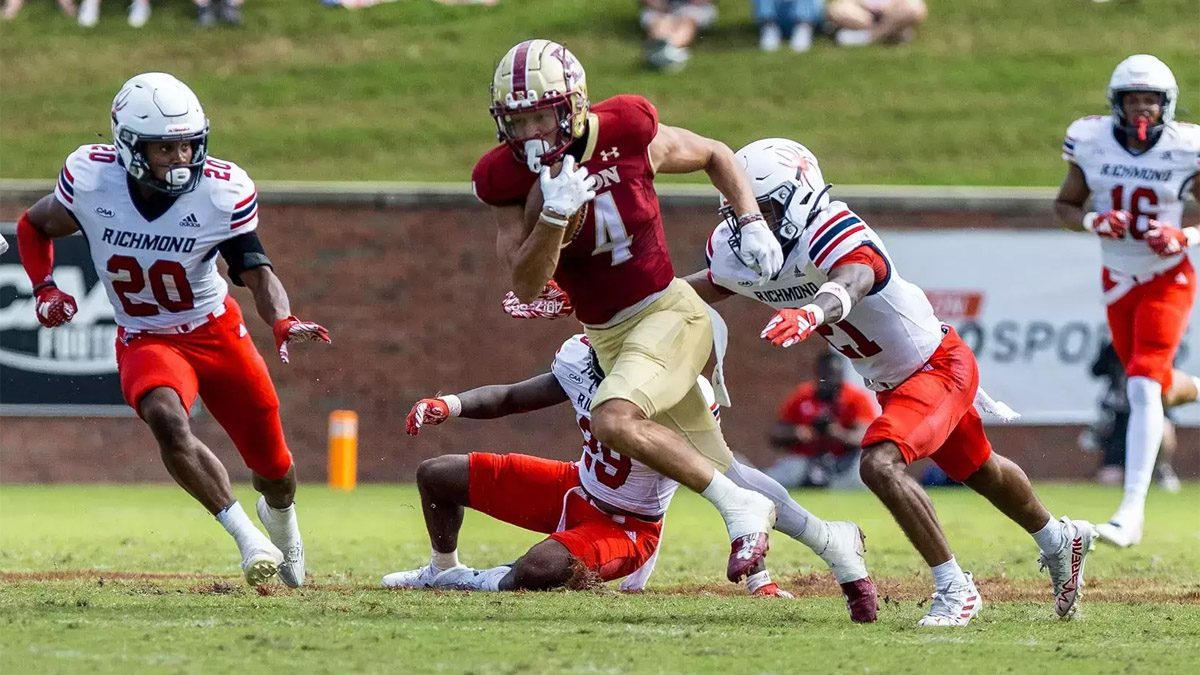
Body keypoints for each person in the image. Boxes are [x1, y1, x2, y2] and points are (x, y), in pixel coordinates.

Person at [688, 138, 1094, 626]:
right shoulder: (740, 249)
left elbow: (858, 274)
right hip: (892, 382)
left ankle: (954, 588)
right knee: (979, 469)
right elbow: (700, 287)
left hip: (937, 366)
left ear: (799, 195)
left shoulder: (831, 226)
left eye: (764, 208)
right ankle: (1058, 538)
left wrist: (814, 310)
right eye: (739, 210)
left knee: (880, 463)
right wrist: (626, 303)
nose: (750, 223)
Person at [471, 39, 786, 587]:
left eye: (542, 117)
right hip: (609, 334)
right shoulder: (504, 178)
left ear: (572, 107)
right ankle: (832, 544)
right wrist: (553, 216)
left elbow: (713, 152)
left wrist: (750, 218)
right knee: (722, 460)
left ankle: (740, 512)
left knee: (613, 420)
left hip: (669, 312)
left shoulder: (626, 128)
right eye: (518, 124)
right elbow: (525, 282)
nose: (531, 135)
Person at [15, 72, 329, 587]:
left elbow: (254, 269)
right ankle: (247, 538)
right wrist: (45, 288)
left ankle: (283, 523)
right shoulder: (93, 180)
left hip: (215, 330)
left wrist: (282, 318)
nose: (181, 159)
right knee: (165, 417)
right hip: (145, 334)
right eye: (165, 148)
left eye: (188, 145)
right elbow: (34, 225)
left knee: (275, 468)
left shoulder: (219, 192)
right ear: (129, 146)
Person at [390, 333, 878, 622]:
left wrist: (759, 579)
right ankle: (440, 566)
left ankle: (469, 581)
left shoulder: (681, 393)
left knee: (536, 570)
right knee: (437, 474)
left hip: (629, 525)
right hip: (576, 486)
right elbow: (514, 397)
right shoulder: (581, 358)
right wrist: (448, 404)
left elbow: (728, 479)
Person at [1053, 54, 1200, 547]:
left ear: (1167, 106)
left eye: (1151, 101)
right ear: (1117, 103)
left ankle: (1130, 513)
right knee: (1153, 387)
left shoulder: (1186, 148)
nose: (1143, 110)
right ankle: (1195, 388)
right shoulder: (1090, 140)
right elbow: (1065, 205)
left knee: (1139, 383)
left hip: (1167, 277)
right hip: (1117, 278)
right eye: (1134, 100)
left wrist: (1184, 236)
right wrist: (1095, 221)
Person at [1083, 341, 1183, 493]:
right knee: (1109, 478)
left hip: (1151, 413)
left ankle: (1161, 468)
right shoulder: (1113, 348)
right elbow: (1096, 370)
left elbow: (1168, 379)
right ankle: (1120, 470)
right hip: (1121, 418)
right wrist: (1109, 352)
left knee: (1165, 428)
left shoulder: (1156, 349)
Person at [767, 351, 874, 488]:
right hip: (805, 460)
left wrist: (837, 433)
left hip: (843, 462)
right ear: (817, 374)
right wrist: (797, 432)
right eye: (826, 374)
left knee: (863, 477)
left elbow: (865, 437)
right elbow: (775, 433)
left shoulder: (855, 398)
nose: (830, 380)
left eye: (834, 374)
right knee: (776, 479)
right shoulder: (803, 395)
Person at [639, 0, 718, 71]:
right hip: (662, 8)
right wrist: (660, 5)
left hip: (694, 7)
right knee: (660, 22)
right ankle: (665, 49)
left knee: (688, 23)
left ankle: (668, 49)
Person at [825, 0, 925, 47]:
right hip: (862, 12)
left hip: (893, 10)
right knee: (836, 10)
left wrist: (891, 5)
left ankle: (868, 36)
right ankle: (894, 31)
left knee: (915, 9)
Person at [752, 0, 824, 53]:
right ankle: (769, 28)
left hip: (807, 16)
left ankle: (803, 27)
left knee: (804, 18)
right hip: (775, 15)